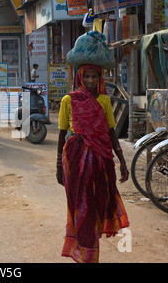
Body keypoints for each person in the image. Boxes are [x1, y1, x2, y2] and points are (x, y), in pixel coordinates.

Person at [56, 64, 130, 263]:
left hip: (100, 161)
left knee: (98, 205)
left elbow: (111, 132)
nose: (90, 81)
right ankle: (87, 254)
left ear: (100, 79)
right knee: (80, 207)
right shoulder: (68, 100)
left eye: (94, 77)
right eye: (86, 76)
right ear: (80, 78)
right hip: (75, 158)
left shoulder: (105, 100)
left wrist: (122, 160)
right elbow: (63, 133)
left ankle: (88, 251)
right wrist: (58, 166)